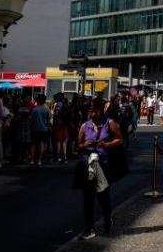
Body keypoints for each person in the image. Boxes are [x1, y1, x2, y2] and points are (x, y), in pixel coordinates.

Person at [77, 101, 124, 239]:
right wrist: (84, 144)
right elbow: (78, 144)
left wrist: (107, 144)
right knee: (88, 197)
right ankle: (88, 228)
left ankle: (107, 217)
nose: (92, 114)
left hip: (104, 165)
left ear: (101, 110)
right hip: (89, 165)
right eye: (90, 111)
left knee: (103, 196)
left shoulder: (110, 123)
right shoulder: (85, 125)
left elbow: (120, 139)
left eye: (94, 111)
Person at [29, 94, 51, 166]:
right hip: (44, 129)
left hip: (35, 129)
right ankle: (39, 160)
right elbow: (49, 118)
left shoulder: (35, 109)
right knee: (42, 144)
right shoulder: (46, 109)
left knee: (33, 144)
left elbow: (31, 119)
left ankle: (32, 160)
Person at [53, 94, 70, 163]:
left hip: (59, 124)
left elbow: (56, 114)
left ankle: (58, 156)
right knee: (63, 142)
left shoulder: (58, 104)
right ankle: (65, 156)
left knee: (58, 141)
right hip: (64, 124)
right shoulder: (65, 104)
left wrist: (54, 111)